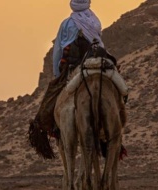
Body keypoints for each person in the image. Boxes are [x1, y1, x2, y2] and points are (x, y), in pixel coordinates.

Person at [29, 0, 110, 159]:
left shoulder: (67, 24)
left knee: (52, 96)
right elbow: (100, 43)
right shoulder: (94, 21)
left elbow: (58, 50)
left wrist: (57, 73)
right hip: (96, 63)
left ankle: (48, 127)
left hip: (73, 67)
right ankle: (112, 134)